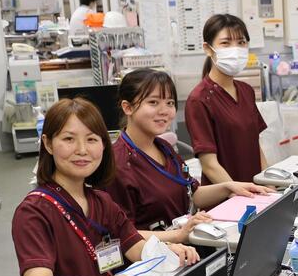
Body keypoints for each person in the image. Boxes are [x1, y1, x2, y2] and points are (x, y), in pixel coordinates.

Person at [12, 98, 199, 276]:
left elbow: (135, 246)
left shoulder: (101, 201)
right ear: (47, 143)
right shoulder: (34, 212)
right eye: (68, 139)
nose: (82, 150)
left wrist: (169, 253)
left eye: (91, 139)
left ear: (103, 144)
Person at [106, 69, 273, 242]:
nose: (164, 111)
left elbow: (192, 193)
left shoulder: (164, 148)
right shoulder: (117, 164)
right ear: (128, 107)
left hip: (184, 250)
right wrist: (179, 233)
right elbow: (120, 234)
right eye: (154, 102)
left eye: (170, 103)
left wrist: (230, 187)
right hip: (151, 260)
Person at [185, 14, 268, 184]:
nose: (235, 49)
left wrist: (270, 183)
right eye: (225, 43)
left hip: (256, 193)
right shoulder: (199, 99)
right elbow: (209, 165)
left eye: (241, 42)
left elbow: (256, 147)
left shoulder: (246, 91)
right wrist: (240, 193)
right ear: (208, 49)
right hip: (225, 199)